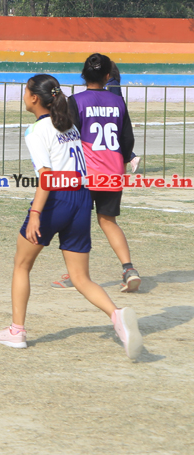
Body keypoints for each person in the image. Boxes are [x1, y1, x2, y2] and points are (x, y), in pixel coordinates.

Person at [0, 74, 142, 359]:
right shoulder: (68, 125)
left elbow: (46, 177)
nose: (23, 96)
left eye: (25, 91)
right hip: (81, 198)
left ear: (34, 97)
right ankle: (117, 316)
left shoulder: (36, 130)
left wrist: (36, 213)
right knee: (81, 278)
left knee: (21, 265)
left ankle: (16, 331)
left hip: (57, 199)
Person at [52, 53, 141, 293]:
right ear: (108, 76)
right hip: (113, 170)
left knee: (76, 223)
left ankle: (76, 275)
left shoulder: (76, 101)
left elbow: (70, 136)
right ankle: (129, 269)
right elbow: (127, 138)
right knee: (108, 221)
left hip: (86, 172)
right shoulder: (118, 101)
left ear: (83, 75)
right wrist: (123, 160)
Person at [105, 62, 141, 173]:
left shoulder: (112, 84)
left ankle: (131, 157)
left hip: (114, 115)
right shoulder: (111, 83)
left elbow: (114, 100)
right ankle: (130, 158)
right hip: (113, 114)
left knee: (114, 139)